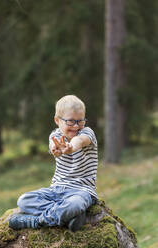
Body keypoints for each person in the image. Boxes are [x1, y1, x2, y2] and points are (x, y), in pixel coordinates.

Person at [9, 95, 98, 232]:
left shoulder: (87, 132)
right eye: (71, 121)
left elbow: (79, 141)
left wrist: (70, 148)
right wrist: (55, 149)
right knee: (24, 200)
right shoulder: (55, 136)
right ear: (57, 120)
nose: (76, 126)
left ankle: (36, 221)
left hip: (81, 191)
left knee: (75, 204)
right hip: (55, 190)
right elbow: (53, 145)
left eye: (80, 121)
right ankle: (66, 216)